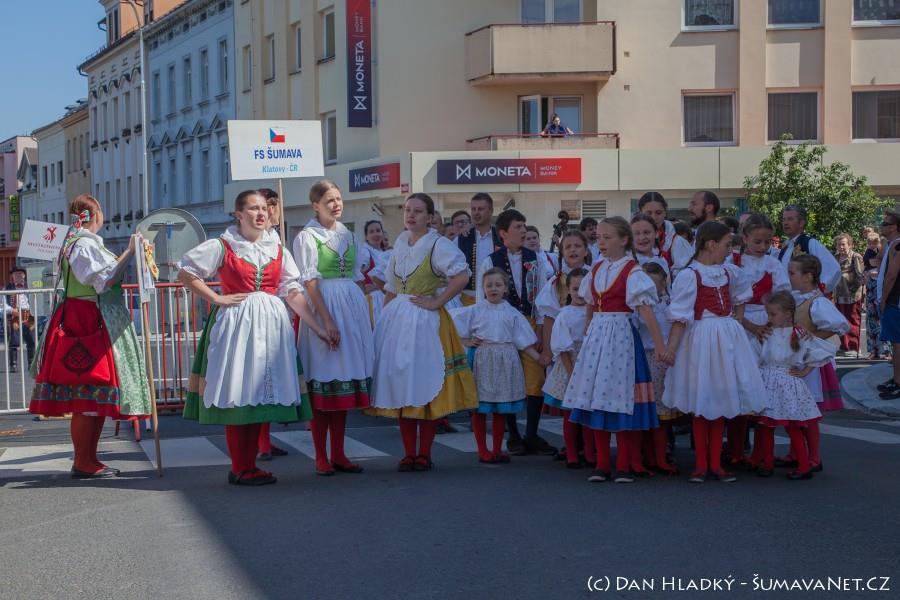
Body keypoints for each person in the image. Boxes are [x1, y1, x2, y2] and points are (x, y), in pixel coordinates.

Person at [179, 190, 316, 485]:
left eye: (264, 208)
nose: (261, 213)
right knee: (238, 394)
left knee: (258, 397)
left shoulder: (277, 248)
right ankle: (241, 467)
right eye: (253, 209)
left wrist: (318, 327)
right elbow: (187, 271)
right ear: (238, 215)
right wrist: (216, 298)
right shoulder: (224, 245)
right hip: (237, 327)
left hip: (272, 329)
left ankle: (248, 465)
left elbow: (292, 291)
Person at [29, 194, 152, 478]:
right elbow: (102, 281)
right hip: (86, 320)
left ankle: (88, 459)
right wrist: (129, 252)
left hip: (92, 317)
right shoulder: (82, 244)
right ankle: (83, 461)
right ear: (96, 215)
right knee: (86, 394)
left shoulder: (82, 242)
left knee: (94, 398)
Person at [368, 193, 478, 471]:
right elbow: (391, 287)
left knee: (425, 383)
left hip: (426, 322)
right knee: (402, 385)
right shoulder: (400, 242)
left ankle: (424, 453)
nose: (411, 215)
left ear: (430, 217)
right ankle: (409, 453)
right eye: (408, 210)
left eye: (417, 211)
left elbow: (462, 275)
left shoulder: (438, 244)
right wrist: (382, 325)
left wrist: (437, 301)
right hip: (398, 321)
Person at [563, 217, 667, 484]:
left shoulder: (633, 272)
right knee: (597, 396)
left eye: (607, 237)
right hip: (598, 337)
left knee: (621, 399)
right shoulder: (597, 268)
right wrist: (588, 331)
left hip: (621, 336)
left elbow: (646, 311)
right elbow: (590, 303)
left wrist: (660, 345)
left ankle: (622, 464)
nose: (601, 242)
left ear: (624, 240)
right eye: (599, 237)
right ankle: (602, 464)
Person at [663, 221, 769, 484]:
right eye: (726, 244)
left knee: (720, 399)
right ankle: (701, 464)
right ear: (711, 244)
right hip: (701, 340)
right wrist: (671, 350)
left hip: (726, 339)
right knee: (702, 402)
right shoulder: (690, 275)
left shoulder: (728, 272)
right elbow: (680, 317)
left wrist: (736, 319)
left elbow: (741, 295)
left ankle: (715, 464)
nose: (730, 250)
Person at [293, 180, 375, 476]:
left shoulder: (348, 235)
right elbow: (310, 281)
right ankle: (320, 455)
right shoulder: (307, 237)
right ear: (315, 205)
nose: (336, 204)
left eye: (338, 199)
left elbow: (356, 277)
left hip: (350, 311)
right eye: (329, 200)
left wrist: (360, 319)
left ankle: (339, 453)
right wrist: (326, 320)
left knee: (342, 386)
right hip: (323, 308)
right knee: (323, 381)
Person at [476, 209, 553, 456]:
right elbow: (481, 298)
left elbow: (542, 296)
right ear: (503, 233)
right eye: (518, 227)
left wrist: (539, 329)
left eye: (524, 226)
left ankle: (531, 433)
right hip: (501, 325)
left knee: (536, 380)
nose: (523, 231)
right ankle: (513, 435)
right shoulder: (490, 261)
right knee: (505, 377)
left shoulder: (535, 257)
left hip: (528, 322)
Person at [453, 268, 540, 464]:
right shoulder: (476, 310)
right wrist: (465, 341)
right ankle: (482, 450)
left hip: (505, 362)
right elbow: (451, 322)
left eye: (498, 285)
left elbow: (523, 340)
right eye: (489, 285)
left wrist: (538, 358)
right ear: (483, 289)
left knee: (501, 408)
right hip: (483, 360)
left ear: (505, 288)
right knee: (480, 408)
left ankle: (497, 449)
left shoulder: (512, 312)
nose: (493, 288)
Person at [751, 291, 834, 480]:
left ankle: (804, 466)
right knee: (765, 426)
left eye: (773, 314)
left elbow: (820, 352)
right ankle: (767, 463)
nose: (769, 318)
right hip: (767, 383)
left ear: (788, 313)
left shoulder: (798, 333)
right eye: (768, 314)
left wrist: (805, 371)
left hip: (788, 384)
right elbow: (753, 354)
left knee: (793, 426)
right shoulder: (766, 333)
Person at [729, 213, 790, 468]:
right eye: (757, 241)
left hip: (767, 326)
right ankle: (736, 448)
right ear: (744, 238)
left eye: (767, 242)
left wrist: (773, 324)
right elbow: (728, 301)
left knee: (764, 387)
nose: (763, 246)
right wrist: (751, 326)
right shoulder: (733, 262)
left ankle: (761, 452)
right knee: (739, 387)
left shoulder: (773, 264)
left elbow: (783, 296)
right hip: (739, 325)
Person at [787, 254, 849, 473]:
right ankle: (796, 452)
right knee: (794, 409)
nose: (789, 277)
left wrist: (812, 338)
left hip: (811, 364)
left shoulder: (817, 302)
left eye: (792, 273)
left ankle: (813, 456)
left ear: (808, 276)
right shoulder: (798, 299)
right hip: (797, 360)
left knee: (809, 412)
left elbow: (840, 326)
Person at [254, 187, 292, 462]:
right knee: (258, 378)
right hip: (258, 313)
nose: (279, 212)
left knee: (269, 378)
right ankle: (260, 443)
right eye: (277, 206)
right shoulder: (255, 239)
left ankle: (265, 439)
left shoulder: (274, 237)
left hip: (275, 310)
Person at [633, 261, 679, 474]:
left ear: (663, 284)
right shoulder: (637, 309)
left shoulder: (670, 305)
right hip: (643, 359)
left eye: (655, 285)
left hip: (664, 362)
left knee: (662, 415)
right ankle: (643, 456)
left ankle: (660, 458)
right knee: (643, 411)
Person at [541, 269, 589, 468]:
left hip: (589, 364)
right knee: (570, 414)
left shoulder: (594, 312)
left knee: (587, 412)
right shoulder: (565, 314)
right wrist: (572, 373)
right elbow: (562, 347)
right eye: (576, 289)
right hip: (570, 364)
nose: (580, 293)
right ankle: (571, 453)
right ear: (568, 290)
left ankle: (588, 452)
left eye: (584, 288)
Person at [777, 205, 841, 293]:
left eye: (790, 219)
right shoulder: (785, 247)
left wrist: (817, 292)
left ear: (801, 223)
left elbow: (834, 269)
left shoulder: (810, 243)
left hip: (803, 298)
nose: (785, 223)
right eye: (784, 219)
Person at [457, 193, 502, 306]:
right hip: (469, 297)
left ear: (491, 211)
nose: (476, 212)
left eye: (480, 209)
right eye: (473, 209)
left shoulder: (500, 235)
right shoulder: (463, 237)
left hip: (496, 296)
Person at [638, 192, 692, 275]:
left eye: (658, 213)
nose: (653, 217)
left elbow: (686, 276)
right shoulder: (628, 241)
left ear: (665, 212)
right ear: (640, 213)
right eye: (648, 213)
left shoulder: (677, 242)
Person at [833, 233, 865, 356]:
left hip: (852, 295)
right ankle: (845, 346)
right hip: (838, 295)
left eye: (843, 244)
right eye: (838, 245)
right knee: (840, 321)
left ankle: (854, 347)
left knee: (852, 320)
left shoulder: (855, 257)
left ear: (850, 245)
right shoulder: (835, 257)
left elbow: (860, 276)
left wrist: (854, 289)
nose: (841, 247)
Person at [864, 232, 890, 360]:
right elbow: (872, 264)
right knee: (871, 320)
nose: (873, 245)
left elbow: (878, 268)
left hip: (882, 289)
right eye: (870, 243)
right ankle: (873, 350)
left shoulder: (887, 254)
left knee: (884, 320)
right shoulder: (869, 253)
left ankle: (886, 350)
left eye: (876, 243)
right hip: (872, 289)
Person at [5, 267, 36, 372]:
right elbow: (2, 304)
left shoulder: (30, 286)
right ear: (12, 276)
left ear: (24, 276)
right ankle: (13, 365)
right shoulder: (7, 288)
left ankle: (31, 364)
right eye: (16, 274)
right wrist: (11, 310)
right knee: (14, 341)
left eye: (20, 274)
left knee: (31, 340)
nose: (18, 276)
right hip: (15, 315)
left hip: (28, 315)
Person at [362, 219, 389, 327]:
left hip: (388, 298)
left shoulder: (387, 254)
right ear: (366, 236)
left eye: (378, 230)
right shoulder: (365, 253)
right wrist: (363, 288)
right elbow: (355, 275)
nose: (375, 234)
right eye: (371, 232)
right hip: (373, 301)